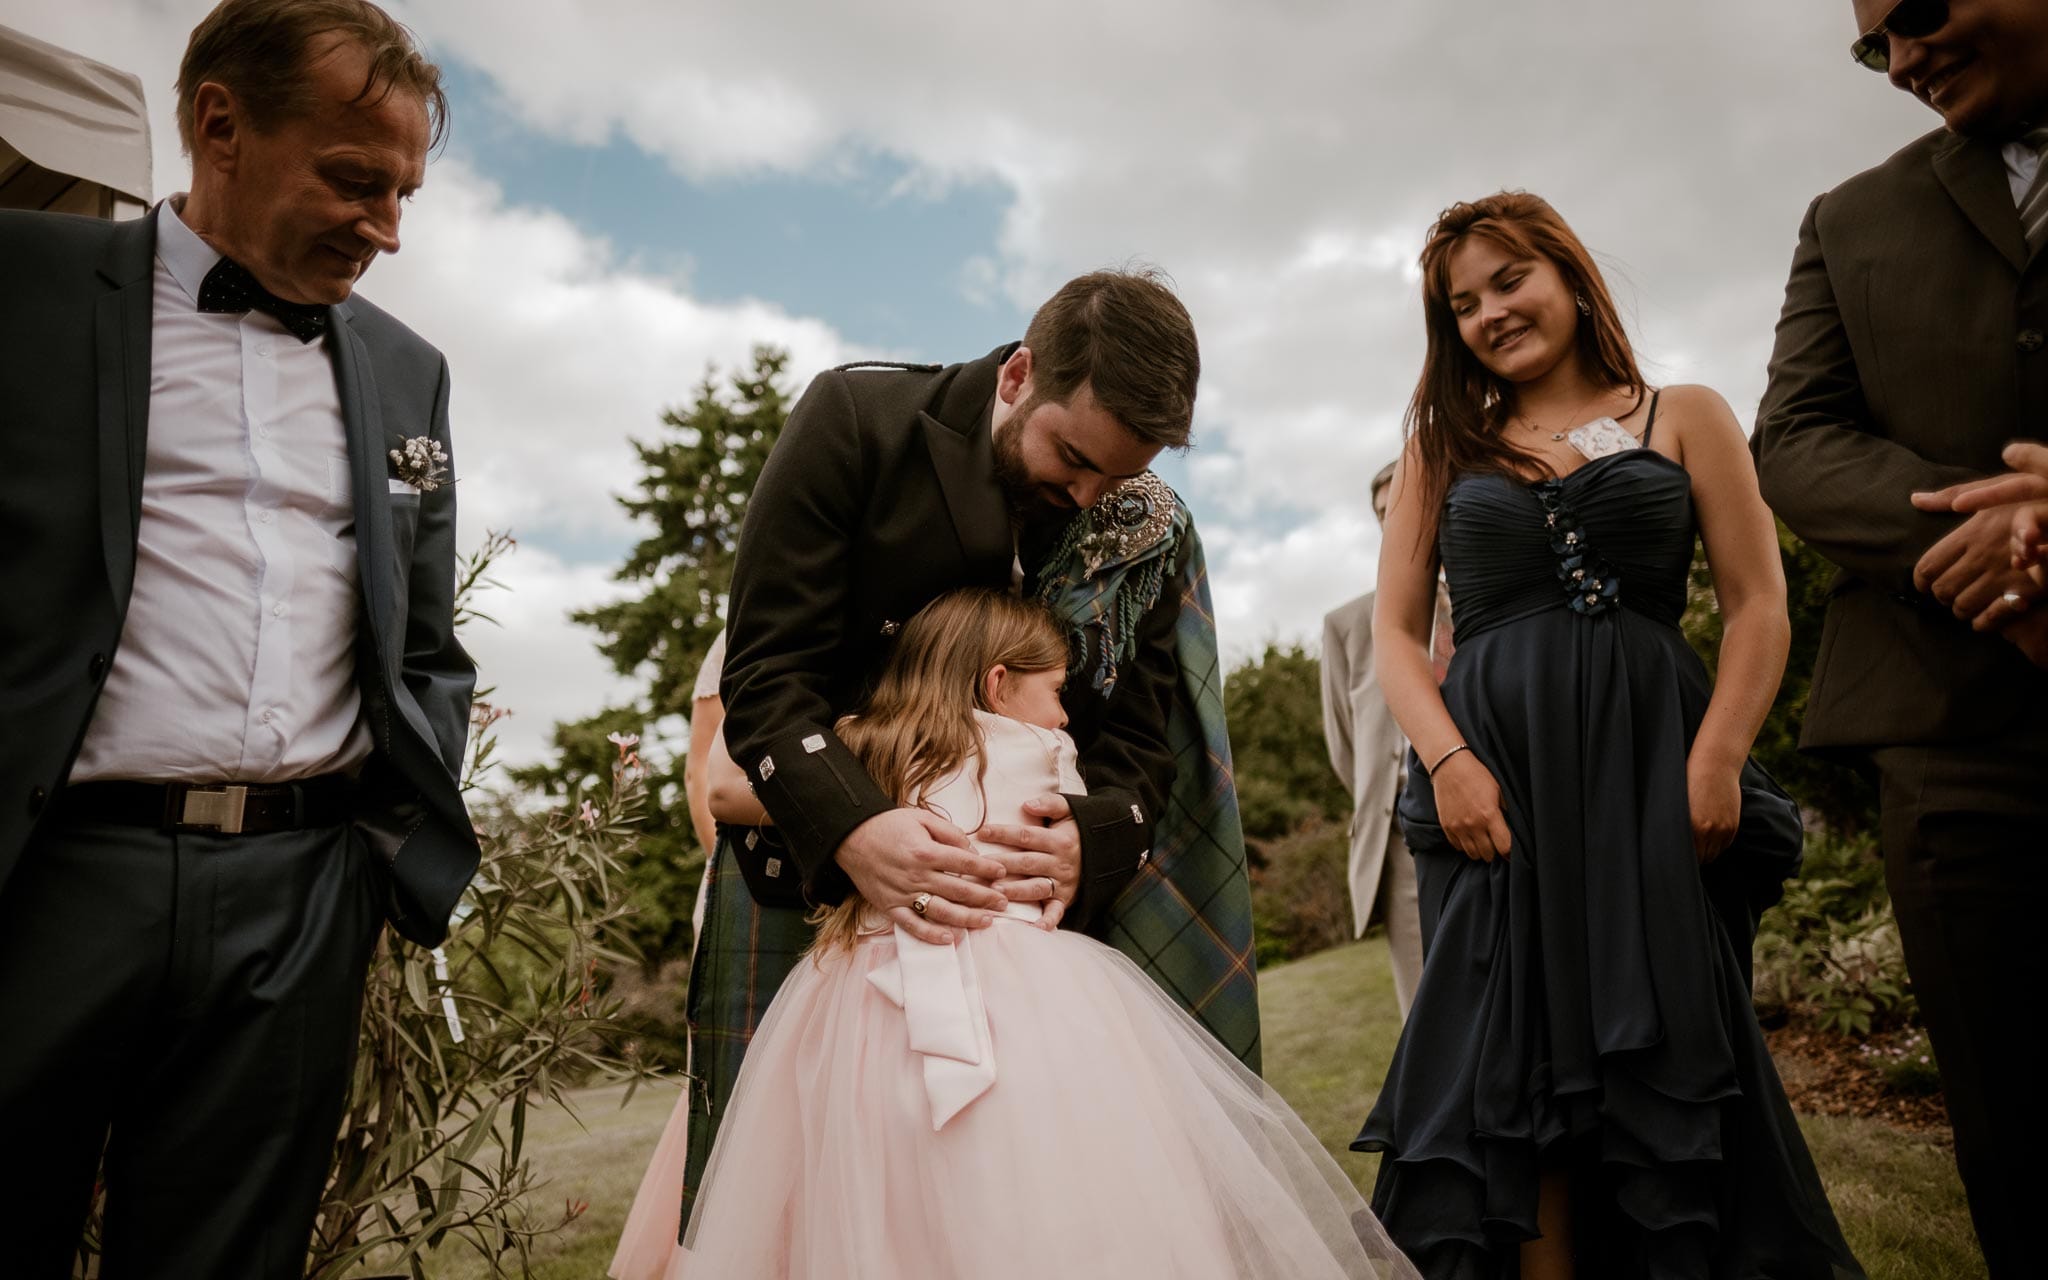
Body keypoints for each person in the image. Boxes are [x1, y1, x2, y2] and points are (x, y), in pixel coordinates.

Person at [0, 2, 477, 1275]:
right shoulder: (22, 287)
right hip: (52, 881)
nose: (384, 228)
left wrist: (371, 874)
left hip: (300, 895)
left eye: (403, 194)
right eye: (352, 178)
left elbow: (423, 642)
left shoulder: (407, 368)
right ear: (219, 123)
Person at [1354, 192, 1863, 1278]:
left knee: (1661, 1043)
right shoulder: (1440, 446)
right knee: (1510, 1057)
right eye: (1460, 304)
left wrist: (1717, 755)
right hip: (1495, 784)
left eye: (1508, 280)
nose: (1489, 312)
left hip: (1648, 772)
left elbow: (1757, 603)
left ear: (1567, 276)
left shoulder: (1682, 413)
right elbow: (1396, 639)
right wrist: (1447, 763)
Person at [681, 269, 1259, 1224]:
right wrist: (861, 831)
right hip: (815, 892)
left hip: (1035, 942)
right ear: (1021, 373)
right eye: (1071, 457)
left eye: (1114, 476)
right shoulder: (859, 421)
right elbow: (766, 679)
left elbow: (1140, 751)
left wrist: (1089, 836)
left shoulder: (1143, 527)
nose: (1086, 496)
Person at [626, 589, 1413, 1280]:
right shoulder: (1048, 754)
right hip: (1026, 996)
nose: (1066, 714)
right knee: (1045, 1184)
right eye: (1058, 692)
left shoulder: (857, 746)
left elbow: (730, 781)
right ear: (999, 684)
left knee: (871, 1189)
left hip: (860, 1004)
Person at [1752, 4, 2048, 1271]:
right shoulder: (1845, 219)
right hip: (1953, 743)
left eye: (1915, 15)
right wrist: (2001, 555)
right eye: (1874, 47)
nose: (1902, 58)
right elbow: (1796, 444)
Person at [1320, 461, 1432, 1017]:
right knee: (1426, 1008)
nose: (1398, 523)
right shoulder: (1347, 625)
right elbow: (1345, 747)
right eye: (1385, 515)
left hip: (1504, 823)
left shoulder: (1489, 597)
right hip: (1402, 839)